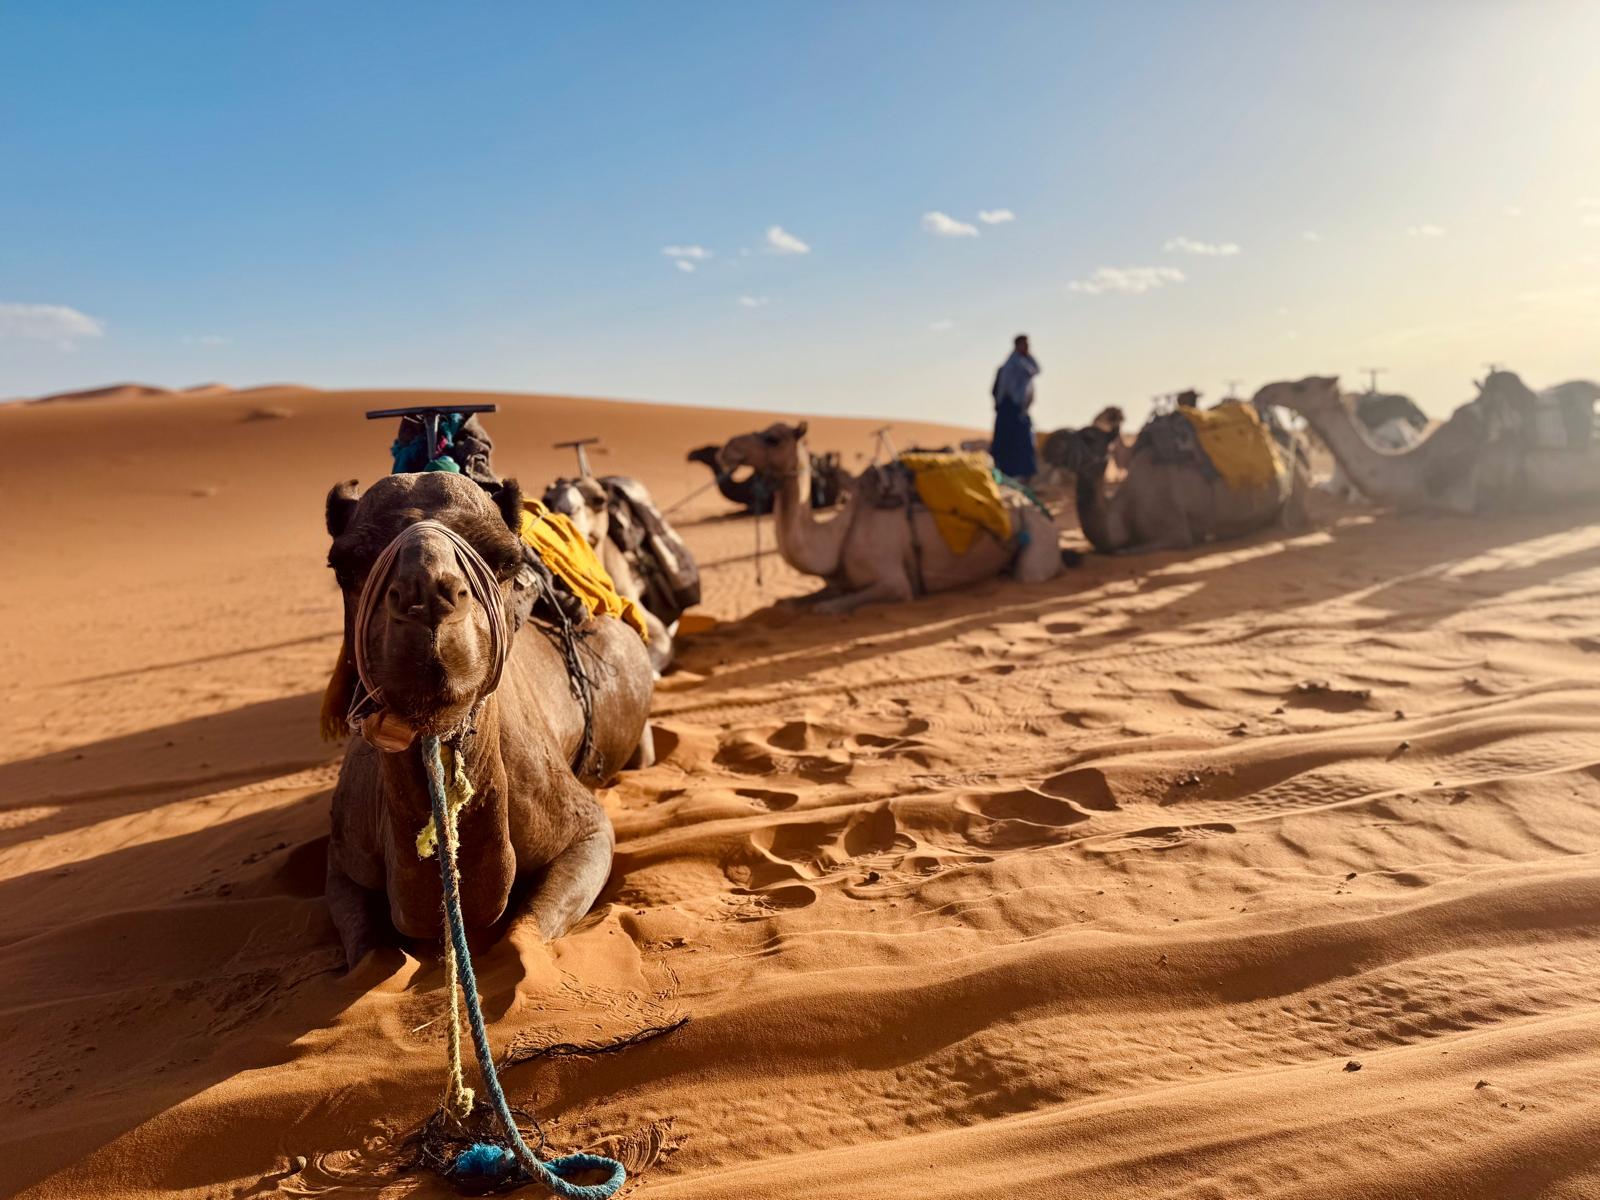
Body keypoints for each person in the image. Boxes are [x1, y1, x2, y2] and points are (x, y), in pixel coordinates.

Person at [991, 334, 1040, 479]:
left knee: (1023, 441)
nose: (1027, 348)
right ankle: (1008, 474)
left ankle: (1022, 475)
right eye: (1024, 345)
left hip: (1018, 409)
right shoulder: (1014, 365)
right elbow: (1006, 389)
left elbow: (1036, 370)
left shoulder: (1024, 364)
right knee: (1008, 442)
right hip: (1010, 408)